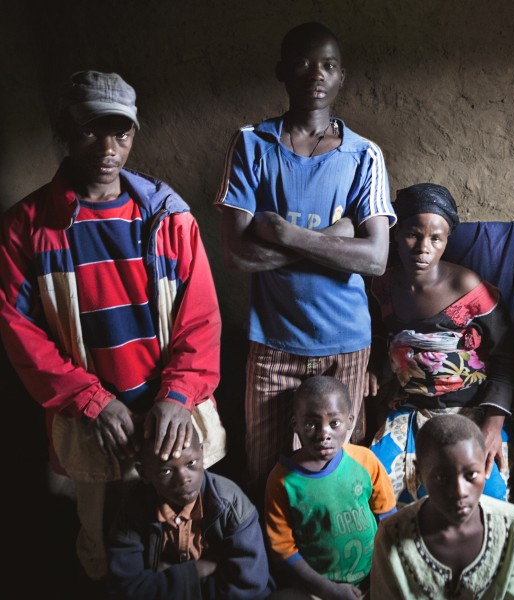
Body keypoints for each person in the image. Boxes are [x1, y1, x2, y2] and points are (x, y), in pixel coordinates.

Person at [0, 70, 226, 581]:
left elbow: (202, 318)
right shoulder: (27, 229)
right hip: (93, 419)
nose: (108, 147)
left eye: (120, 133)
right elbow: (19, 331)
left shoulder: (168, 217)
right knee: (105, 543)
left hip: (168, 412)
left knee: (183, 534)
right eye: (90, 130)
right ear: (64, 131)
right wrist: (91, 401)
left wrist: (178, 395)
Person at [215, 21, 396, 504]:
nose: (317, 74)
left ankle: (341, 566)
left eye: (329, 65)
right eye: (303, 63)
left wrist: (284, 232)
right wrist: (335, 238)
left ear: (342, 77)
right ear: (282, 72)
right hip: (273, 341)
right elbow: (236, 255)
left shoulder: (363, 156)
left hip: (346, 344)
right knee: (264, 475)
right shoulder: (252, 145)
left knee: (340, 477)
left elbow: (376, 259)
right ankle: (275, 572)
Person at [367, 182, 514, 504]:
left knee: (486, 489)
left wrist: (493, 421)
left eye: (435, 238)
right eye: (412, 234)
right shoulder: (382, 286)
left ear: (447, 240)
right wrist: (376, 369)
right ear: (395, 233)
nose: (423, 247)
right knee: (381, 485)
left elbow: (507, 355)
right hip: (410, 410)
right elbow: (380, 335)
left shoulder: (469, 287)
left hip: (472, 411)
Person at [370, 413, 514, 599]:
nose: (459, 491)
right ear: (419, 471)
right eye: (442, 477)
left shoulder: (512, 525)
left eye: (471, 475)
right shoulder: (391, 535)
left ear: (485, 464)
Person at [264, 375, 397, 599]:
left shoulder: (364, 460)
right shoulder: (282, 480)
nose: (323, 433)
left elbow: (389, 520)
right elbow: (283, 549)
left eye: (334, 423)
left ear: (349, 421)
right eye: (310, 424)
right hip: (317, 587)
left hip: (375, 577)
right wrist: (328, 589)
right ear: (295, 425)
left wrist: (385, 575)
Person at [107, 425, 273, 599]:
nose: (184, 479)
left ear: (202, 452)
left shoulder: (232, 504)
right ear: (144, 473)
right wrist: (197, 569)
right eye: (166, 470)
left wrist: (167, 577)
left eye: (191, 463)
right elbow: (125, 589)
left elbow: (250, 583)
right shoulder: (133, 510)